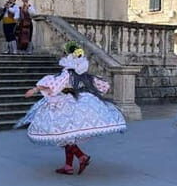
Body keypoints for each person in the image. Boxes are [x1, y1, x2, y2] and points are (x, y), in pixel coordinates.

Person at [16, 41, 126, 175]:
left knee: (64, 136)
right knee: (68, 136)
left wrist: (35, 89)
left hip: (65, 104)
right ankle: (68, 166)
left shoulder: (67, 73)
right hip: (79, 101)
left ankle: (81, 157)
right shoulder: (82, 74)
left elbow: (54, 84)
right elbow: (103, 86)